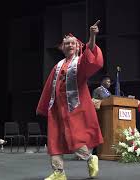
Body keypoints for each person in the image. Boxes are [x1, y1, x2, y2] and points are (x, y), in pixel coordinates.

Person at [36, 20, 103, 180]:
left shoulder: (79, 63)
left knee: (76, 140)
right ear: (62, 47)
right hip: (57, 109)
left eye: (73, 43)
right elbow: (49, 89)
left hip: (74, 108)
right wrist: (45, 106)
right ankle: (59, 173)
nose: (70, 45)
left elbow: (91, 60)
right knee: (54, 142)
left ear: (78, 46)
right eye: (66, 43)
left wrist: (92, 37)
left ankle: (90, 158)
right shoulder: (58, 65)